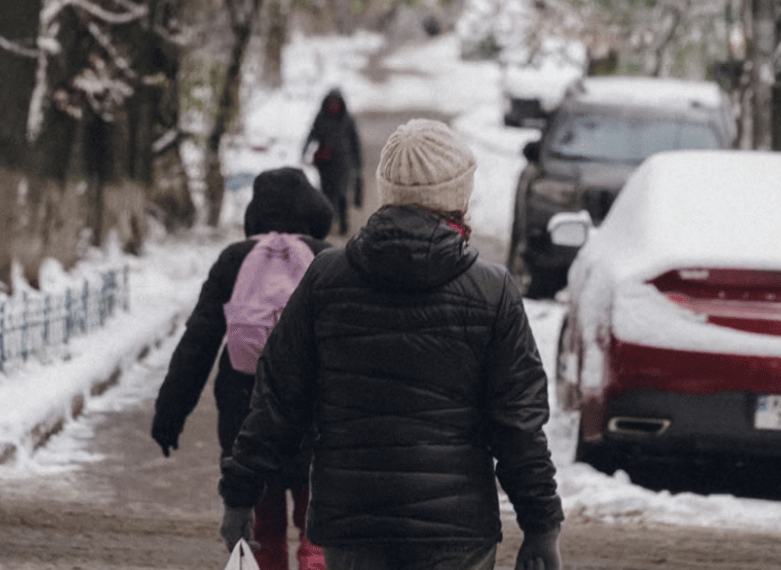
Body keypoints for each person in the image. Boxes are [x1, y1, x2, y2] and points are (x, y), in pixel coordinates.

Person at [220, 119, 564, 570]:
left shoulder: (326, 279)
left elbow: (278, 400)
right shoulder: (492, 290)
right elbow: (518, 424)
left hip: (351, 529)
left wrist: (241, 494)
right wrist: (541, 526)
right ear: (458, 194)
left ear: (387, 190)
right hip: (456, 536)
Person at [151, 167, 333, 570]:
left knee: (259, 537)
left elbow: (198, 341)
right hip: (315, 422)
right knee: (319, 533)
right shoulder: (327, 259)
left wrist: (170, 413)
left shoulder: (235, 259)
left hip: (246, 422)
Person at [303, 88, 363, 235]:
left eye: (336, 103)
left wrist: (358, 162)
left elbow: (355, 141)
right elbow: (312, 134)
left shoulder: (347, 119)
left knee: (342, 193)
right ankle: (329, 220)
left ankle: (343, 223)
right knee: (327, 194)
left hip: (343, 163)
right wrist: (305, 150)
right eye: (331, 103)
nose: (333, 106)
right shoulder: (321, 117)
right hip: (325, 163)